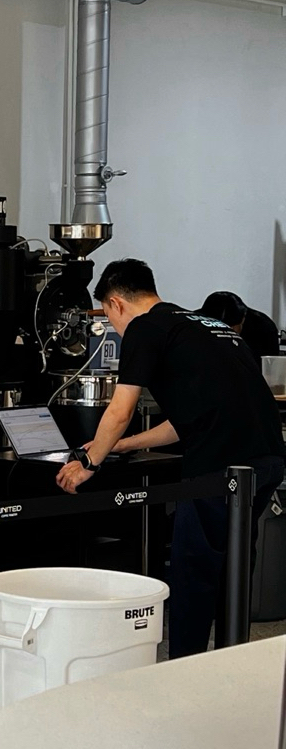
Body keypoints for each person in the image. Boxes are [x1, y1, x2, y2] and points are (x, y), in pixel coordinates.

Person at [55, 259, 285, 658]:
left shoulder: (144, 328)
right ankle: (231, 661)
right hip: (266, 462)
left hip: (219, 467)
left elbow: (120, 409)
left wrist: (88, 463)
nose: (115, 327)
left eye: (109, 317)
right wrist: (123, 445)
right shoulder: (204, 324)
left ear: (116, 303)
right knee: (232, 567)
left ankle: (183, 669)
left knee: (193, 571)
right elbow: (186, 421)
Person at [198, 290, 280, 364]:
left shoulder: (263, 327)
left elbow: (269, 364)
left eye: (231, 328)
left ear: (243, 319)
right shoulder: (196, 323)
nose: (225, 332)